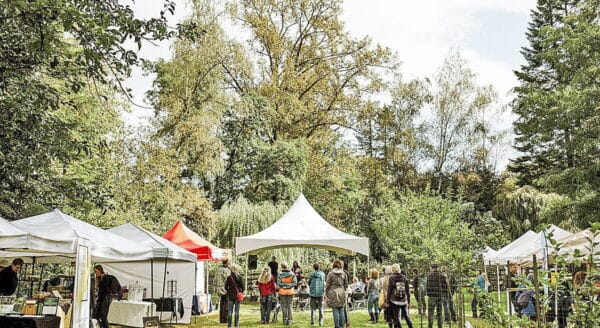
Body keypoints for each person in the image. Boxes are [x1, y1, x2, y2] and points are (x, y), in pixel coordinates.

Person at [387, 263, 413, 328]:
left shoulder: (391, 278)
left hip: (394, 300)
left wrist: (387, 300)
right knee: (406, 315)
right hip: (403, 300)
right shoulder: (404, 277)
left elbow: (389, 290)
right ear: (399, 269)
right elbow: (408, 291)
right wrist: (409, 301)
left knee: (397, 316)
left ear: (392, 270)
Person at [326, 259, 348, 328]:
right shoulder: (344, 273)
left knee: (335, 309)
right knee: (341, 309)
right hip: (341, 292)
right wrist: (343, 290)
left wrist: (326, 292)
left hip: (333, 292)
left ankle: (337, 326)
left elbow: (328, 284)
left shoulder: (331, 273)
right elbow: (346, 284)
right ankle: (342, 325)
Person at [426, 263, 449, 328]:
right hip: (439, 296)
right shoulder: (442, 276)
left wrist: (428, 294)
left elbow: (427, 286)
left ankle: (430, 326)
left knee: (431, 313)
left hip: (432, 296)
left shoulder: (429, 276)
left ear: (431, 268)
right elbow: (445, 286)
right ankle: (440, 326)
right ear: (437, 268)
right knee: (439, 313)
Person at [217, 259, 232, 323]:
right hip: (225, 288)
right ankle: (225, 319)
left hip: (219, 288)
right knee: (226, 304)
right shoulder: (226, 270)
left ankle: (221, 319)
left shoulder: (218, 269)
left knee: (222, 304)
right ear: (226, 263)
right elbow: (227, 279)